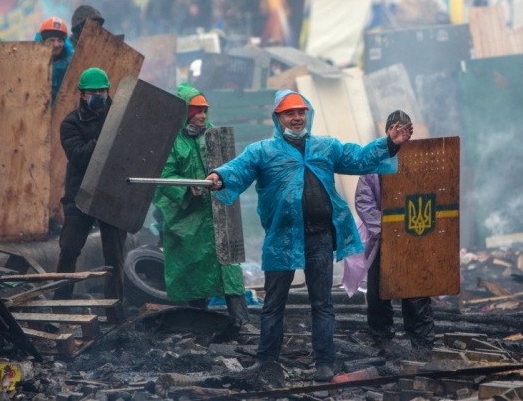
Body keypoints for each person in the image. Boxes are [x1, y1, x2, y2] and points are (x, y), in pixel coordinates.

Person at [204, 91, 413, 381]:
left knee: (322, 304)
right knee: (273, 304)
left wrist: (390, 143)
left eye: (301, 112)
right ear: (277, 118)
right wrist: (218, 177)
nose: (297, 117)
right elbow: (237, 169)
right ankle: (266, 361)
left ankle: (325, 362)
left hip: (319, 238)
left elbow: (360, 158)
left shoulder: (326, 147)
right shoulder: (262, 151)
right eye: (290, 113)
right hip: (282, 238)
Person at [153, 83, 250, 328]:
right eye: (196, 110)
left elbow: (232, 168)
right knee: (194, 269)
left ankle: (241, 321)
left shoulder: (216, 137)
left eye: (204, 110)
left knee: (229, 268)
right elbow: (164, 176)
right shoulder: (172, 142)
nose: (202, 115)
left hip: (219, 214)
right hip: (190, 219)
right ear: (185, 112)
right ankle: (200, 323)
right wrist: (187, 187)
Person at [355, 111, 435, 352]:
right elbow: (364, 201)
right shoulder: (374, 164)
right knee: (380, 291)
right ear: (389, 130)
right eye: (395, 128)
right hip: (384, 240)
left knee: (416, 290)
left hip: (415, 237)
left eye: (405, 128)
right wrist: (385, 230)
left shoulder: (421, 161)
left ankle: (421, 342)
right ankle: (382, 339)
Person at [53, 68, 127, 302]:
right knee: (69, 250)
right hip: (81, 194)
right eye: (93, 91)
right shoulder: (71, 123)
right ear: (82, 95)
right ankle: (61, 305)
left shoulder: (122, 116)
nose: (99, 95)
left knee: (115, 257)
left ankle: (115, 312)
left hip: (112, 193)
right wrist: (104, 137)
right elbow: (79, 156)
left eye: (102, 91)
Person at [36, 17, 74, 103]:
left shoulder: (73, 62)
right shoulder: (32, 62)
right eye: (52, 40)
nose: (56, 44)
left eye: (60, 40)